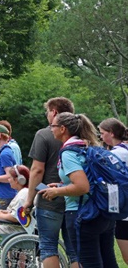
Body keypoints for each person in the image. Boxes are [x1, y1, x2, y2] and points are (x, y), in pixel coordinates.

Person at [40, 112, 117, 268]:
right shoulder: (86, 147)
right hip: (103, 212)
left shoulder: (69, 153)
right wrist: (62, 186)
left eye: (53, 126)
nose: (51, 129)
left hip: (82, 214)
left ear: (62, 129)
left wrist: (56, 192)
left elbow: (82, 186)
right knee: (109, 262)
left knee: (90, 264)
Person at [22, 97, 77, 268]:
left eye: (48, 111)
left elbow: (37, 170)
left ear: (53, 112)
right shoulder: (80, 135)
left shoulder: (44, 134)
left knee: (48, 247)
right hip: (74, 200)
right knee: (75, 251)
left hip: (49, 199)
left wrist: (29, 201)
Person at [99, 117, 128, 265]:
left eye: (102, 133)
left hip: (123, 211)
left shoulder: (116, 154)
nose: (101, 137)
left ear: (111, 133)